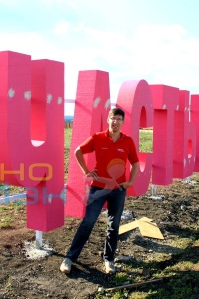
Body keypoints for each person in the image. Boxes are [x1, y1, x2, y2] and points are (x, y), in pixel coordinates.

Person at [60, 107, 139, 274]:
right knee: (88, 222)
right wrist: (86, 172)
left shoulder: (128, 141)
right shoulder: (97, 138)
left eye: (119, 119)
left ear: (123, 122)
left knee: (114, 225)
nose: (115, 122)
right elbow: (78, 151)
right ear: (108, 120)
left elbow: (135, 163)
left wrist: (130, 181)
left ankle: (109, 260)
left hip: (117, 190)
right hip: (98, 188)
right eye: (113, 118)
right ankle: (70, 258)